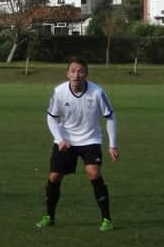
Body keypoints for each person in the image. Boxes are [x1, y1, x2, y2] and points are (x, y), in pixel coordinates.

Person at [36, 57, 119, 232]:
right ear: (67, 74)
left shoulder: (97, 92)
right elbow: (51, 117)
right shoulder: (59, 92)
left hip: (90, 139)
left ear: (86, 74)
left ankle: (107, 219)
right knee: (54, 177)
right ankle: (49, 216)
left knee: (94, 173)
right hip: (66, 140)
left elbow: (110, 116)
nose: (76, 74)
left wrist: (112, 145)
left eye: (80, 71)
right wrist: (59, 139)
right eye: (73, 71)